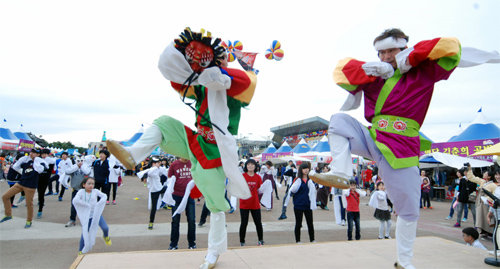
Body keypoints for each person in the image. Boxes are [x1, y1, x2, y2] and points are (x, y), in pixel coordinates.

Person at [309, 28, 466, 269]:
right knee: (338, 120)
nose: (384, 57)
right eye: (380, 52)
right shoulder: (376, 75)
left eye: (390, 51)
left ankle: (404, 262)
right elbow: (341, 71)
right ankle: (341, 172)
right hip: (373, 137)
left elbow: (451, 47)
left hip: (401, 148)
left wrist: (410, 59)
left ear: (404, 48)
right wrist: (369, 68)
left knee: (409, 210)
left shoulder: (422, 72)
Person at [106, 27, 257, 269]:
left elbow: (246, 83)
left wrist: (217, 72)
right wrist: (187, 57)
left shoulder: (231, 86)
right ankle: (132, 154)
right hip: (196, 141)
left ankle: (214, 252)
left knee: (216, 205)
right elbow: (176, 80)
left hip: (217, 153)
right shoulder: (201, 86)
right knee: (164, 122)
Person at [1, 148, 44, 228]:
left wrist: (35, 160)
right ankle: (8, 214)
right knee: (5, 196)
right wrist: (22, 162)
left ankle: (29, 221)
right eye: (31, 152)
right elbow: (15, 166)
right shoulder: (25, 160)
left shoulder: (40, 162)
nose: (32, 153)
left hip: (30, 186)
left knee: (29, 204)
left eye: (35, 153)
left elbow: (40, 170)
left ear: (38, 155)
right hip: (21, 183)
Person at [72, 177, 111, 254]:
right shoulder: (81, 192)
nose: (91, 185)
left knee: (105, 228)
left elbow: (104, 196)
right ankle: (81, 251)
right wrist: (85, 205)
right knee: (85, 234)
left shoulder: (95, 191)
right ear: (84, 185)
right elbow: (75, 200)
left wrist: (99, 203)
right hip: (87, 217)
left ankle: (106, 236)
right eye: (89, 183)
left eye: (92, 184)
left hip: (96, 215)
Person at [168, 157, 196, 250]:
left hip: (189, 196)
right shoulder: (174, 165)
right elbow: (169, 177)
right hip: (176, 195)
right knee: (175, 221)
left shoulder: (193, 163)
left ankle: (192, 243)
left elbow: (197, 176)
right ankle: (173, 244)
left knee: (192, 220)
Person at [285, 163, 316, 243]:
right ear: (301, 170)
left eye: (307, 168)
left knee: (310, 223)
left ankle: (312, 239)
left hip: (308, 205)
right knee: (298, 224)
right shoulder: (297, 180)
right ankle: (298, 240)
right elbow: (292, 190)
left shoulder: (310, 180)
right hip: (298, 205)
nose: (306, 170)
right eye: (304, 168)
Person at [239, 159, 264, 246]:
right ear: (246, 166)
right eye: (248, 164)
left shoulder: (258, 177)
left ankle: (260, 240)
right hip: (244, 204)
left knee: (258, 223)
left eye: (252, 164)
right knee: (244, 223)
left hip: (255, 204)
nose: (250, 166)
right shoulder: (242, 176)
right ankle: (242, 241)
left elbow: (261, 190)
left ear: (255, 166)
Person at [467, 168, 497, 238]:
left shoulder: (493, 185)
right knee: (480, 218)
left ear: (489, 176)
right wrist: (469, 169)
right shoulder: (482, 182)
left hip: (487, 205)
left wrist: (487, 199)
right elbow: (472, 178)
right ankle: (483, 232)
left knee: (487, 219)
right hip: (480, 203)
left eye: (485, 173)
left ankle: (490, 233)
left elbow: (495, 195)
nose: (483, 174)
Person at [65, 155, 93, 227]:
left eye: (81, 161)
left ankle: (84, 220)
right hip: (75, 190)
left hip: (85, 190)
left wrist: (82, 166)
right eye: (78, 161)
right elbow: (67, 171)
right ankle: (72, 220)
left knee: (85, 205)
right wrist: (77, 166)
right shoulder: (73, 168)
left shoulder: (87, 167)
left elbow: (87, 172)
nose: (80, 162)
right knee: (74, 205)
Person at [37, 149, 57, 218]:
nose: (43, 155)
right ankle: (40, 201)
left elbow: (55, 162)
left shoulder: (51, 160)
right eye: (42, 154)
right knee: (39, 191)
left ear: (48, 154)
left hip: (45, 179)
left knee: (42, 192)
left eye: (45, 154)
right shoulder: (39, 160)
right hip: (39, 178)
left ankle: (40, 209)